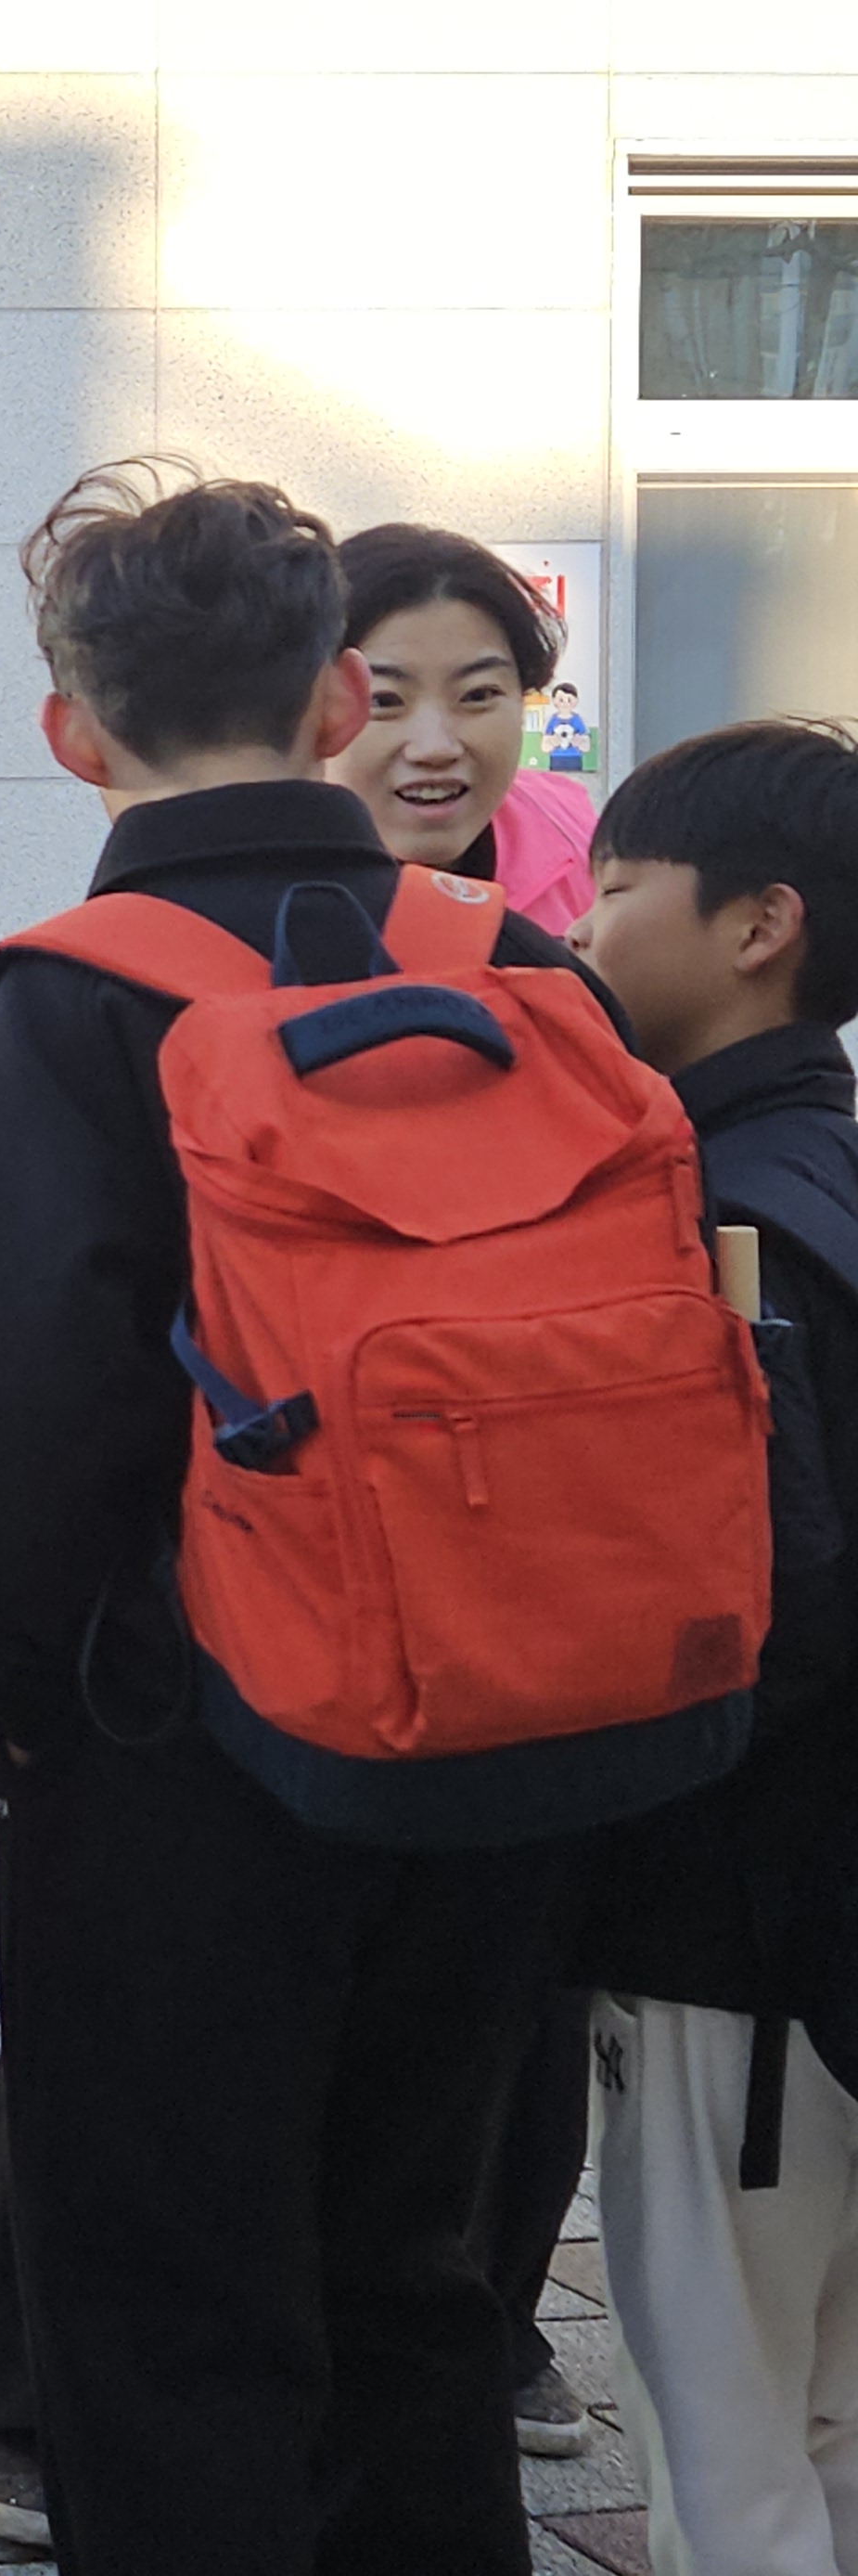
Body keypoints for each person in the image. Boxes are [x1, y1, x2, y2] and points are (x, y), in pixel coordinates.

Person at [0, 464, 610, 2575]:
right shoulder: (510, 961)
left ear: (70, 722)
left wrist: (38, 1696)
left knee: (168, 2305)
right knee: (413, 2279)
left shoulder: (82, 980)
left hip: (185, 1740)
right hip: (489, 1724)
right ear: (331, 697)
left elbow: (19, 1412)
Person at [565, 719, 858, 2576]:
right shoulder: (823, 1170)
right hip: (813, 1943)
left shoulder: (718, 1218)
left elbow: (767, 1608)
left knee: (727, 2443)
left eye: (610, 886)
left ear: (757, 923)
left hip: (721, 1940)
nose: (577, 923)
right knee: (821, 2421)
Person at [326, 522, 597, 934]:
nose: (435, 748)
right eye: (384, 700)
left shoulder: (581, 848)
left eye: (477, 695)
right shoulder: (241, 888)